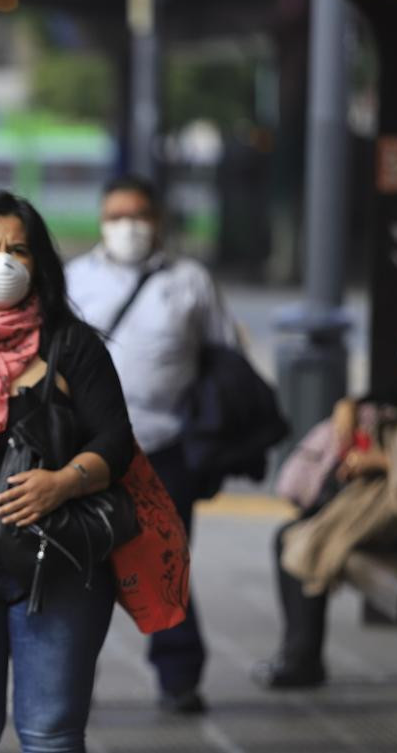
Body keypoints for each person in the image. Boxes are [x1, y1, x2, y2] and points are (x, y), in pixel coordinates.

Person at [0, 190, 135, 753]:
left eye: (19, 249)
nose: (4, 261)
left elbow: (116, 443)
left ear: (39, 263)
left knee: (51, 734)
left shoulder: (73, 345)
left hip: (60, 564)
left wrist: (63, 482)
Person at [64, 174, 238, 714]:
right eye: (117, 216)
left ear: (158, 221)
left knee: (165, 559)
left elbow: (224, 356)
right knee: (80, 564)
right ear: (101, 220)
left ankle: (179, 676)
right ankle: (68, 679)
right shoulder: (74, 279)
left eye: (139, 215)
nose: (128, 226)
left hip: (164, 447)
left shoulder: (189, 281)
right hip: (85, 450)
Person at [255, 311, 397, 689]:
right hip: (394, 508)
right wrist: (347, 411)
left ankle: (301, 658)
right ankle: (298, 654)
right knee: (291, 535)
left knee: (302, 539)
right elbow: (367, 399)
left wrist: (379, 461)